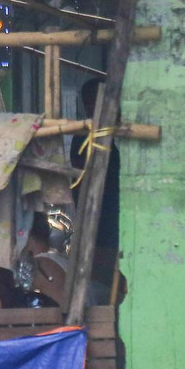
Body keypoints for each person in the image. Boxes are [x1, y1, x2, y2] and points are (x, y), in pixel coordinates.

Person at [70, 78, 122, 304]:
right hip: (99, 222)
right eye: (89, 105)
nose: (94, 110)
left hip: (114, 218)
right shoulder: (84, 137)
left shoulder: (116, 135)